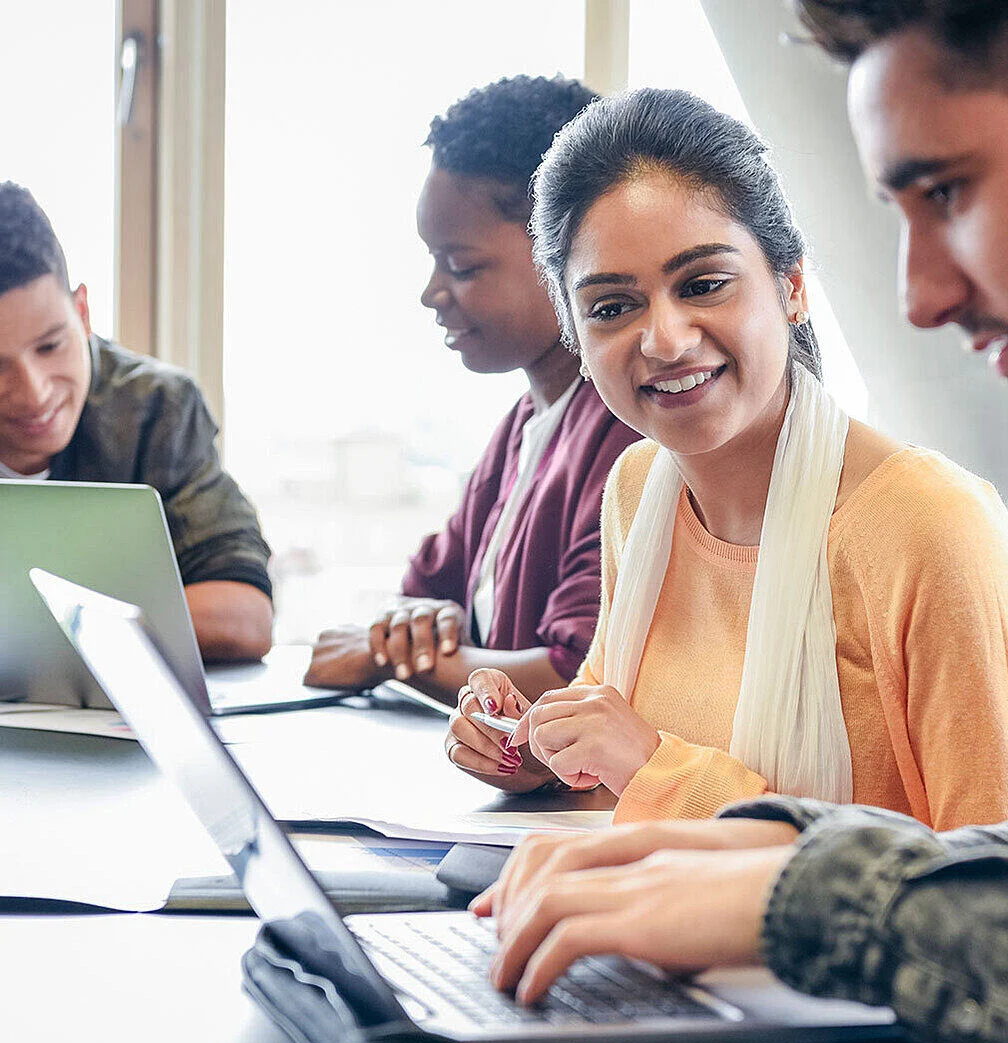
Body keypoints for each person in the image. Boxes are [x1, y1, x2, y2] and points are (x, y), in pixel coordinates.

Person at [466, 3, 1008, 1043]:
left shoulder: (935, 521)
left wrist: (821, 903)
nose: (918, 296)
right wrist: (730, 863)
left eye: (950, 193)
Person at [449, 88, 1008, 820]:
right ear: (577, 340)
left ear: (794, 287)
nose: (667, 340)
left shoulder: (933, 531)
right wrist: (533, 748)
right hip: (643, 925)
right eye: (612, 307)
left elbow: (1003, 893)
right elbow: (615, 751)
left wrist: (658, 769)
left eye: (704, 284)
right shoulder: (639, 489)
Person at [305, 76, 641, 706]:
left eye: (460, 265)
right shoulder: (523, 424)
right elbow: (423, 596)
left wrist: (385, 657)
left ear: (563, 249)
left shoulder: (628, 432)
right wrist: (407, 637)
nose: (432, 291)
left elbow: (576, 676)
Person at [0, 182, 272, 662]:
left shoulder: (157, 408)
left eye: (50, 346)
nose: (34, 391)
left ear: (82, 312)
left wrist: (37, 625)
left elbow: (245, 615)